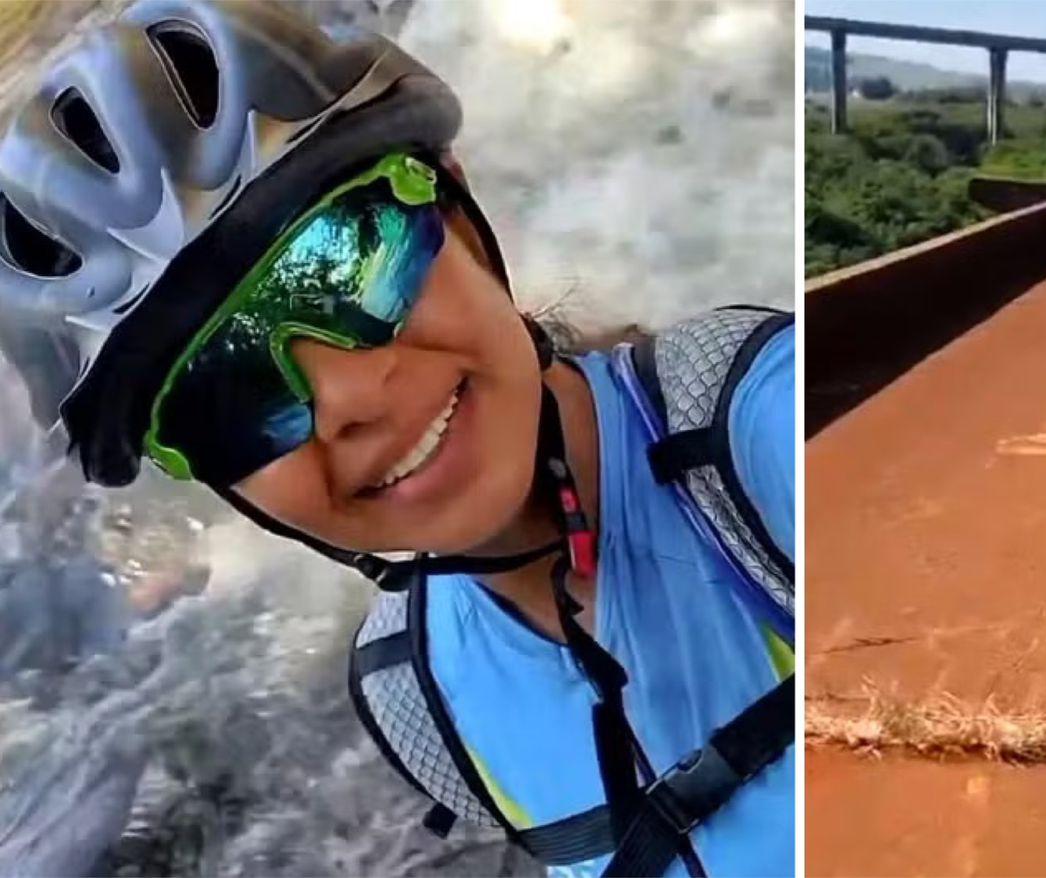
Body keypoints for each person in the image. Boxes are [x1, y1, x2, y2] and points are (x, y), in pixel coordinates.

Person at [0, 2, 794, 876]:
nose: (346, 397)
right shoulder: (419, 697)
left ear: (460, 211)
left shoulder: (758, 436)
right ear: (214, 480)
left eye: (352, 261)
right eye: (219, 396)